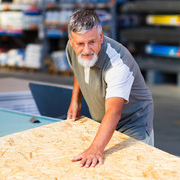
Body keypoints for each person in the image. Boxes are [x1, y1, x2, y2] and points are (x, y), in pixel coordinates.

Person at [66, 9, 154, 168]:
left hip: (132, 125)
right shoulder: (73, 48)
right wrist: (75, 100)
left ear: (100, 37)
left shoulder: (118, 64)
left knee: (131, 175)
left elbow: (114, 112)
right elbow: (79, 67)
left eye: (92, 42)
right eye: (80, 44)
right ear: (71, 41)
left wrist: (95, 148)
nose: (86, 50)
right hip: (103, 122)